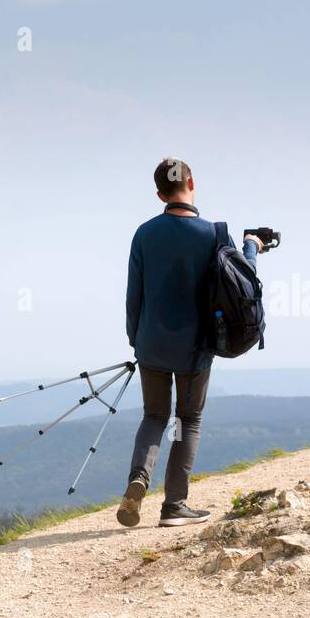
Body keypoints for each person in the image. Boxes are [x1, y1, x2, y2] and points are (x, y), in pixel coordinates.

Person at [117, 157, 262, 528]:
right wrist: (251, 246)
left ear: (159, 193)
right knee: (187, 420)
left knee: (153, 416)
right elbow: (242, 281)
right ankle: (174, 505)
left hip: (151, 343)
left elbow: (134, 296)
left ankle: (138, 479)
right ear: (191, 183)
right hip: (194, 349)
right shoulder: (213, 235)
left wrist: (137, 340)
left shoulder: (144, 234)